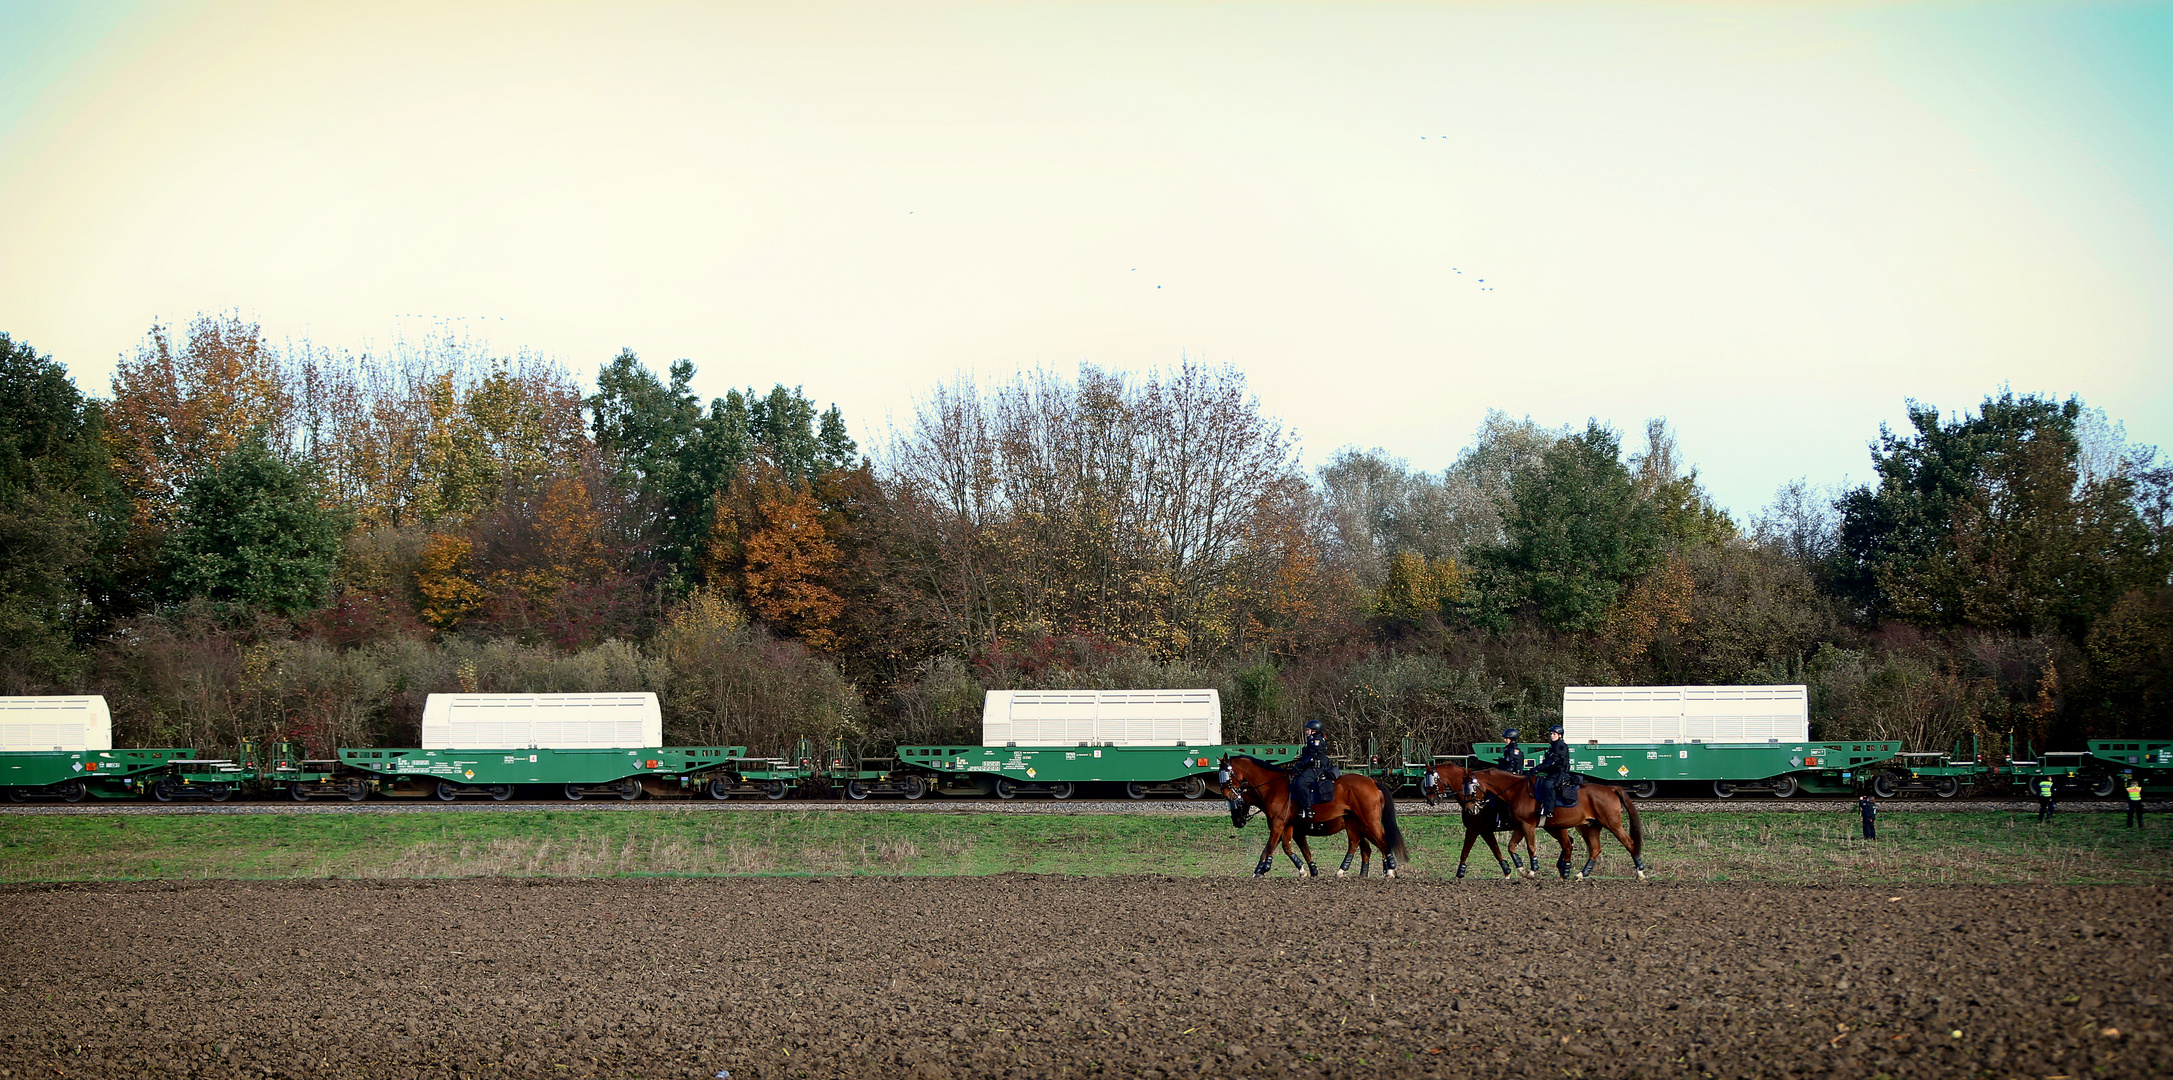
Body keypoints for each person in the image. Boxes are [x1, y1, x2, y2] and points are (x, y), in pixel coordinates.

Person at [1289, 719, 1335, 821]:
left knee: (1301, 783)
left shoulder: (1316, 741)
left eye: (1308, 730)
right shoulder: (1312, 739)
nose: (1306, 732)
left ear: (1314, 730)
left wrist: (1299, 766)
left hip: (1316, 767)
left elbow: (1312, 758)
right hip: (1312, 766)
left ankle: (1308, 809)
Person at [1533, 725, 1573, 824]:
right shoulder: (1553, 746)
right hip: (1552, 772)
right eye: (1551, 734)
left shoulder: (1561, 746)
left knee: (1548, 785)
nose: (1551, 735)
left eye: (1554, 734)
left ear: (1559, 735)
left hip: (1559, 773)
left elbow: (1553, 761)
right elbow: (1547, 761)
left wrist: (1538, 768)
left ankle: (1548, 810)